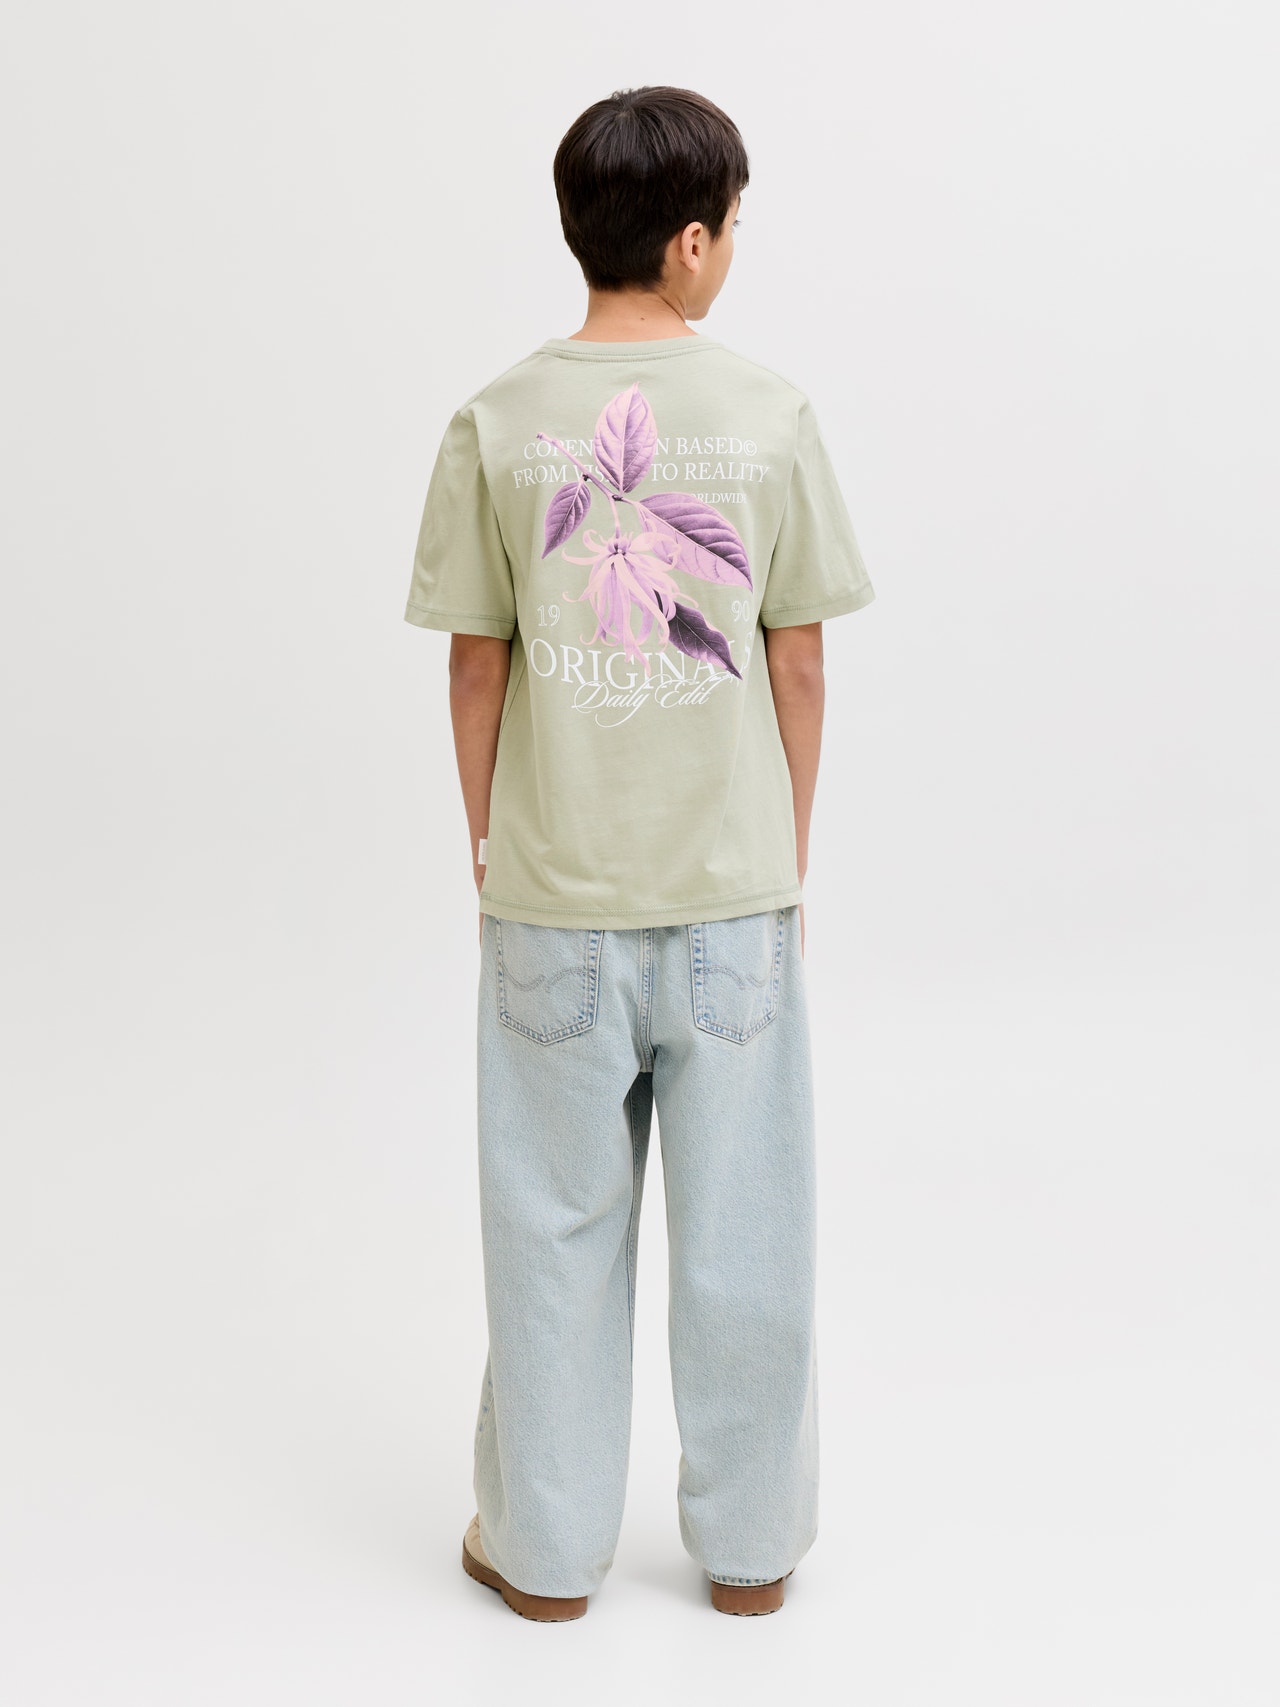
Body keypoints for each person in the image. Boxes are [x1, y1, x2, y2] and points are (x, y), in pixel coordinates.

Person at [403, 85, 876, 1621]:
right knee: (749, 1237)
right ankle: (750, 1555)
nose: (731, 247)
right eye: (730, 225)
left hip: (553, 904)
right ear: (688, 242)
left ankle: (542, 1558)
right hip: (732, 902)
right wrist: (784, 855)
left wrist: (492, 849)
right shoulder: (769, 415)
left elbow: (475, 666)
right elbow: (798, 660)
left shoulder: (494, 421)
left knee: (551, 1232)